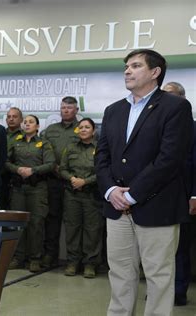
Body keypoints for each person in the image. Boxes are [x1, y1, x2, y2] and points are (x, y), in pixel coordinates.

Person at [95, 49, 193, 315]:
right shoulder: (113, 110)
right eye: (126, 66)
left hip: (157, 206)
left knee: (158, 276)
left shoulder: (176, 107)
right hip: (116, 209)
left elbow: (169, 159)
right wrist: (111, 191)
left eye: (136, 65)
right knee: (120, 274)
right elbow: (102, 157)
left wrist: (132, 195)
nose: (127, 70)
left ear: (155, 72)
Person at [7, 115, 55, 273]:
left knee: (36, 224)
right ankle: (17, 258)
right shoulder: (16, 142)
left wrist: (33, 170)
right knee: (17, 223)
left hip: (37, 188)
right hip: (19, 188)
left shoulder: (44, 143)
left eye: (31, 122)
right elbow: (6, 161)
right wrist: (17, 170)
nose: (27, 124)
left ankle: (35, 258)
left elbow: (50, 164)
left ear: (38, 126)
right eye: (25, 122)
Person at [162, 81, 195, 306]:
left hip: (186, 196)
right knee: (161, 248)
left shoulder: (194, 126)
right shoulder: (158, 125)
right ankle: (161, 291)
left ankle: (178, 290)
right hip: (159, 197)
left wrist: (195, 195)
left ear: (182, 98)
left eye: (170, 95)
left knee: (181, 247)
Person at [59, 118, 103, 278]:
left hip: (92, 195)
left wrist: (85, 181)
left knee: (92, 229)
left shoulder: (100, 148)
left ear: (93, 130)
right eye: (81, 127)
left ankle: (90, 264)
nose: (83, 130)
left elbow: (103, 171)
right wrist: (72, 179)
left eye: (87, 127)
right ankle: (72, 262)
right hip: (72, 194)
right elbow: (62, 168)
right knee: (72, 228)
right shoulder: (70, 148)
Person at [40, 96, 80, 268]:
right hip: (53, 180)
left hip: (75, 182)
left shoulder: (84, 128)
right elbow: (41, 150)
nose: (66, 110)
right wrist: (53, 167)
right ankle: (50, 255)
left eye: (69, 108)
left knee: (74, 222)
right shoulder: (50, 130)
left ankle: (74, 259)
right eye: (63, 107)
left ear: (76, 110)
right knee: (52, 220)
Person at [0, 107, 24, 210]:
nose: (11, 119)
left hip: (18, 178)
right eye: (9, 117)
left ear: (21, 119)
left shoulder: (26, 135)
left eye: (14, 116)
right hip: (1, 176)